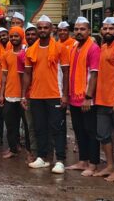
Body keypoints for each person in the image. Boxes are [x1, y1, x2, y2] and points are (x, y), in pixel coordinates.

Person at [21, 15, 69, 174]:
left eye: (45, 27)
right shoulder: (30, 50)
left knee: (57, 128)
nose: (42, 30)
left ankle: (60, 160)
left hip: (55, 94)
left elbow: (66, 72)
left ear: (51, 29)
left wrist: (65, 95)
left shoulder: (60, 48)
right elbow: (27, 74)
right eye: (39, 27)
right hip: (35, 96)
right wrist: (24, 95)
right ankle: (42, 157)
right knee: (39, 127)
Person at [66, 17, 100, 177]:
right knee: (79, 130)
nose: (79, 32)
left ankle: (93, 164)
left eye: (82, 29)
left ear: (89, 30)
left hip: (87, 99)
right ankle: (83, 160)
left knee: (90, 131)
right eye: (77, 29)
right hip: (74, 97)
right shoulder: (74, 47)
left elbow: (94, 75)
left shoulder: (93, 48)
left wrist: (88, 97)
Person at [93, 17, 114, 182]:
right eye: (104, 29)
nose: (107, 31)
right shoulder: (103, 46)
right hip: (102, 100)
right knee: (103, 135)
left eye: (111, 28)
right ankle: (111, 165)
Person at [0, 26, 31, 159]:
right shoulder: (6, 55)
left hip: (25, 95)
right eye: (11, 36)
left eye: (16, 36)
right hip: (10, 95)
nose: (13, 38)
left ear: (21, 37)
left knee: (28, 125)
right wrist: (1, 93)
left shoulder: (27, 53)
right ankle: (13, 148)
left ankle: (30, 151)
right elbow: (4, 76)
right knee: (11, 124)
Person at [18, 23, 38, 162]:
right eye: (28, 34)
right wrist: (23, 95)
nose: (30, 36)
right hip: (30, 96)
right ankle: (33, 153)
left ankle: (47, 154)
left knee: (45, 126)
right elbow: (22, 77)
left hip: (46, 94)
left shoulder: (50, 49)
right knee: (30, 126)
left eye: (33, 34)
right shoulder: (22, 55)